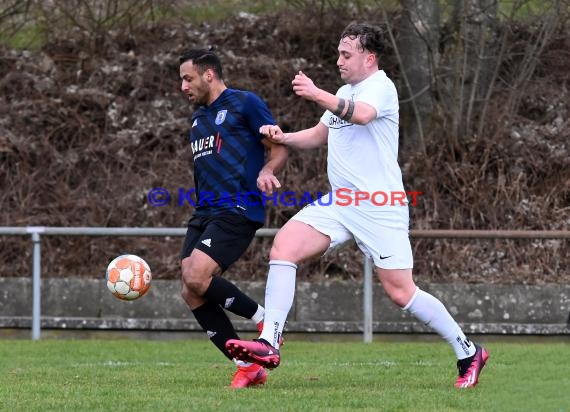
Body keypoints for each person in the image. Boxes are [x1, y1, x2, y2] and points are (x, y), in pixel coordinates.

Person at [226, 22, 489, 389]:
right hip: (341, 202)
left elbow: (361, 114)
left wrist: (317, 94)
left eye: (346, 55)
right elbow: (319, 135)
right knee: (283, 247)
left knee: (401, 292)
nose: (339, 61)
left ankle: (468, 351)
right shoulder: (344, 91)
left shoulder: (380, 87)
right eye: (338, 54)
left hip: (379, 205)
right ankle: (270, 342)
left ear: (369, 57)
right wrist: (282, 136)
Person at [178, 48, 288, 388]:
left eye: (188, 78)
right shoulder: (197, 119)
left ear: (209, 74)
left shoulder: (245, 103)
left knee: (197, 275)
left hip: (238, 207)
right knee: (190, 289)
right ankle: (247, 366)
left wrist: (267, 170)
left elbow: (280, 146)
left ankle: (265, 321)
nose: (183, 86)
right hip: (205, 212)